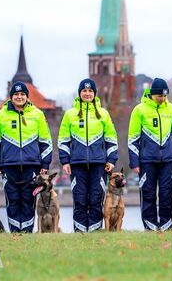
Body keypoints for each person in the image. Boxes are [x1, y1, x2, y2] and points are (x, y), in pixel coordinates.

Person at [0, 81, 52, 232]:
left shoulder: (37, 114)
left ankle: (27, 232)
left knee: (29, 200)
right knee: (13, 200)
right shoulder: (1, 116)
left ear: (27, 96)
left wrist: (45, 165)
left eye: (22, 94)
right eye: (16, 94)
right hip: (8, 167)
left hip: (32, 166)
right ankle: (15, 233)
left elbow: (46, 142)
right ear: (11, 97)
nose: (19, 97)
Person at [128, 78, 172, 231]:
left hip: (168, 160)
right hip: (147, 161)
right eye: (159, 96)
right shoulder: (139, 110)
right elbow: (133, 138)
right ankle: (150, 226)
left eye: (164, 96)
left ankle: (167, 226)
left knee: (167, 194)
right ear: (152, 94)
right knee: (148, 194)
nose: (162, 99)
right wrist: (134, 162)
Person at [58, 79, 118, 233]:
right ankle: (79, 233)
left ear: (94, 93)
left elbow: (111, 139)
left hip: (99, 165)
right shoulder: (69, 114)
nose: (87, 93)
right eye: (84, 91)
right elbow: (63, 140)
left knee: (96, 199)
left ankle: (95, 232)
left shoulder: (103, 114)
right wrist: (65, 161)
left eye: (90, 91)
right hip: (77, 165)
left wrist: (111, 160)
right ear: (79, 93)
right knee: (80, 200)